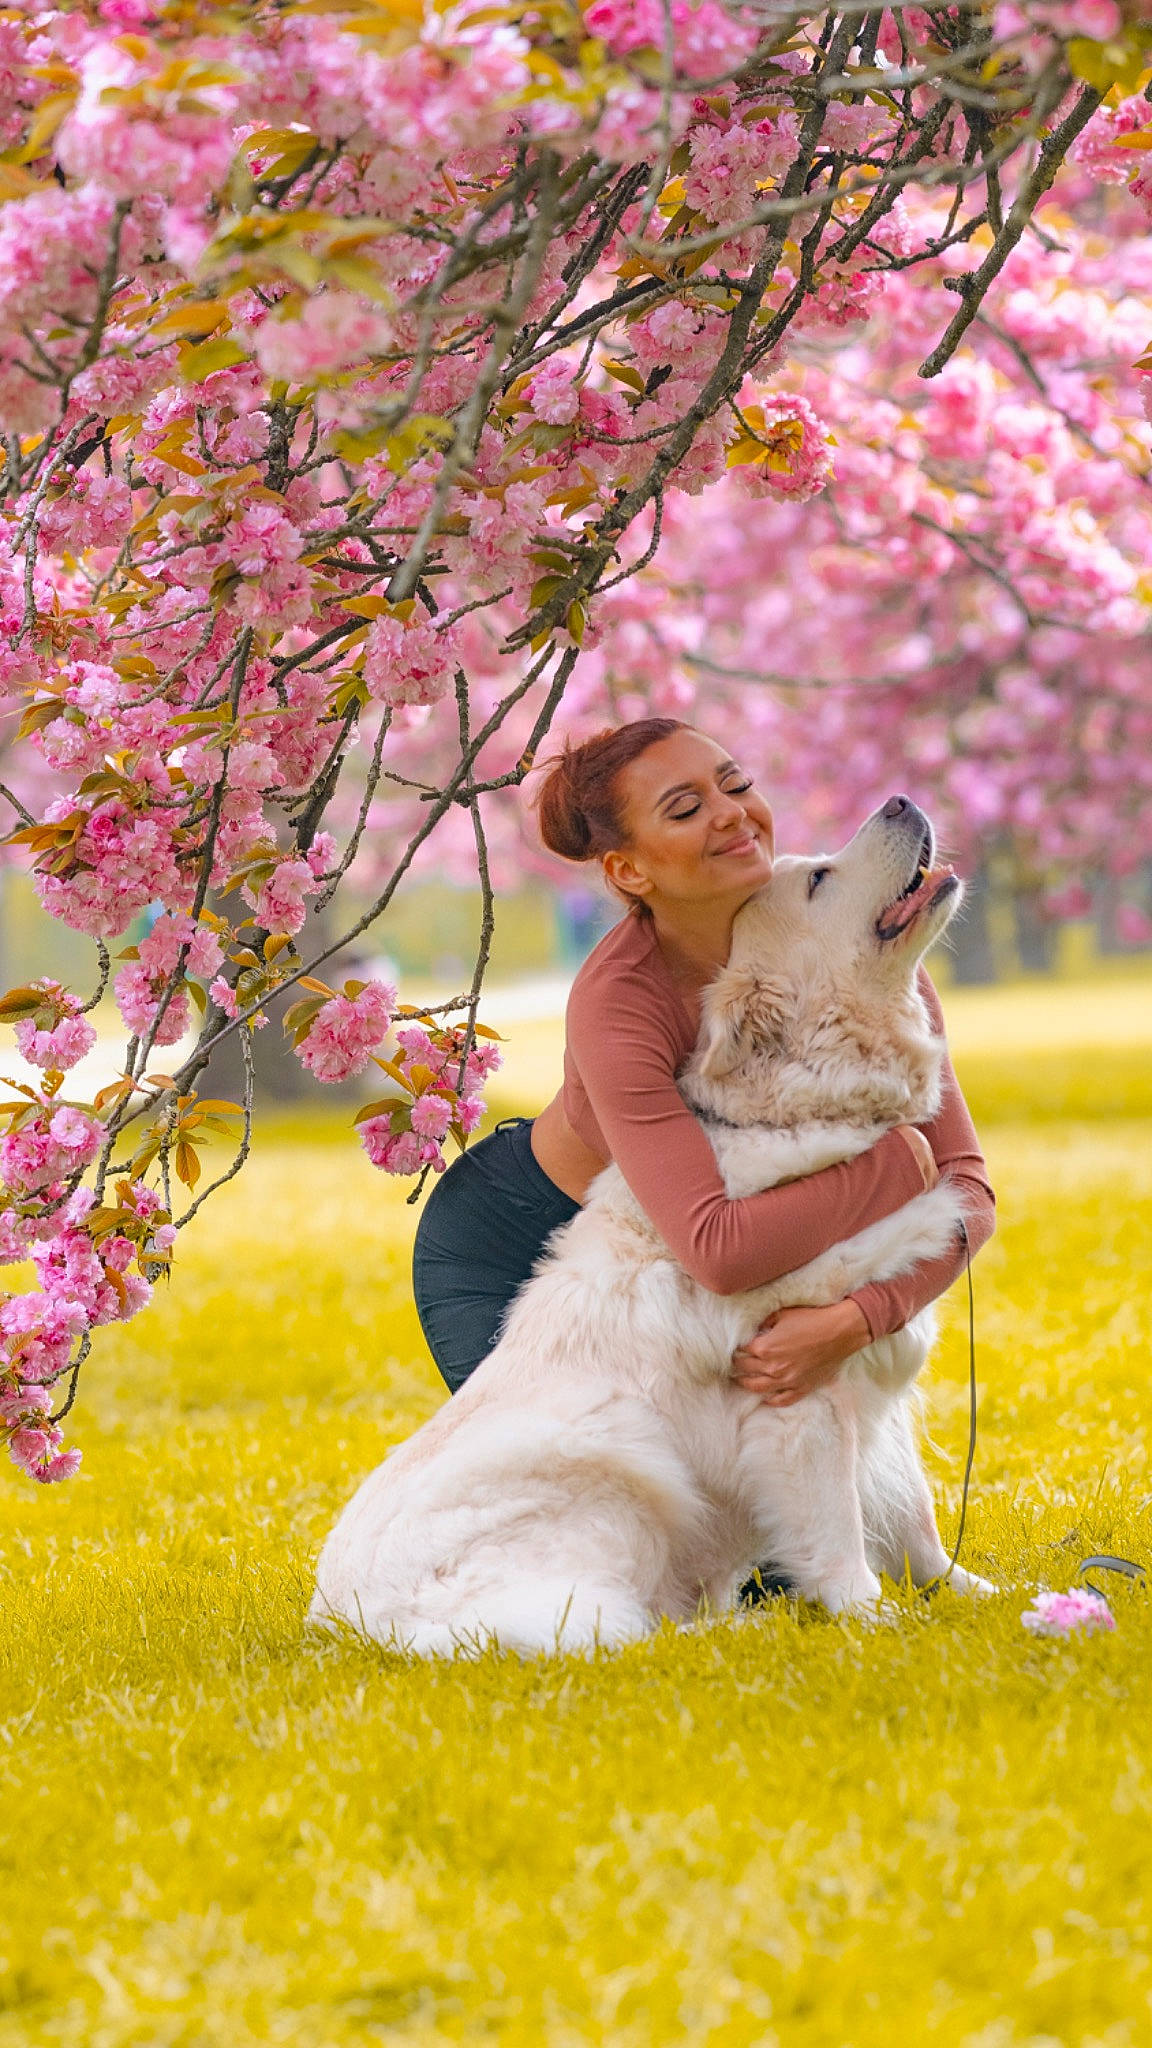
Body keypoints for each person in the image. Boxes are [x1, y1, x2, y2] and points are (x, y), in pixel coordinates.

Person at [413, 718, 994, 1430]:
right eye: (685, 810)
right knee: (595, 1486)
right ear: (629, 870)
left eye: (736, 785)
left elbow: (966, 1182)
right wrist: (898, 1167)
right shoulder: (619, 999)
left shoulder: (850, 938)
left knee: (749, 1522)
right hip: (520, 1238)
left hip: (712, 1242)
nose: (730, 814)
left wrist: (861, 1318)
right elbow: (718, 1250)